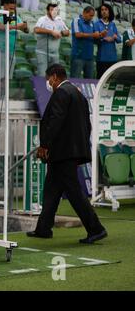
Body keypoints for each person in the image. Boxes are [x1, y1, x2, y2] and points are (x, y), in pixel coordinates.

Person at [27, 64, 107, 244]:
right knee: (51, 190)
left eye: (49, 79)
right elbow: (87, 125)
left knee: (74, 192)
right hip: (70, 151)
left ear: (55, 77)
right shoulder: (79, 94)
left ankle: (96, 229)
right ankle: (43, 228)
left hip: (63, 152)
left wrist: (45, 145)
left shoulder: (62, 93)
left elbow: (55, 121)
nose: (48, 83)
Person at [0, 0, 29, 79]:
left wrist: (25, 26)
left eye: (13, 8)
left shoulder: (14, 17)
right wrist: (16, 26)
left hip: (12, 51)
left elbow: (26, 30)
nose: (12, 10)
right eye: (10, 8)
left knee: (8, 77)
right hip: (0, 51)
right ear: (5, 6)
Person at [34, 3, 70, 76]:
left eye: (56, 10)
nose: (54, 12)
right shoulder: (42, 19)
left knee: (54, 76)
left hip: (55, 53)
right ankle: (42, 87)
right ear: (47, 11)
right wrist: (51, 32)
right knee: (42, 74)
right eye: (51, 10)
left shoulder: (59, 20)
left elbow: (68, 32)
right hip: (42, 52)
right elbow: (36, 29)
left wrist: (61, 33)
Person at [70, 6, 102, 79]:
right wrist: (93, 35)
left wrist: (100, 35)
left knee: (90, 80)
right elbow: (77, 34)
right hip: (78, 56)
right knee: (75, 79)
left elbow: (95, 37)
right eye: (90, 15)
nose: (91, 18)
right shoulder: (76, 20)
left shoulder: (92, 23)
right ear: (84, 13)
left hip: (89, 57)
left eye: (93, 16)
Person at [94, 3, 121, 78]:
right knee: (100, 79)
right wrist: (103, 38)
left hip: (113, 58)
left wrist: (115, 37)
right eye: (102, 10)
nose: (104, 11)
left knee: (111, 80)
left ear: (109, 11)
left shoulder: (113, 24)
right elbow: (95, 39)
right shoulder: (96, 24)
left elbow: (119, 40)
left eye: (106, 9)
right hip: (101, 58)